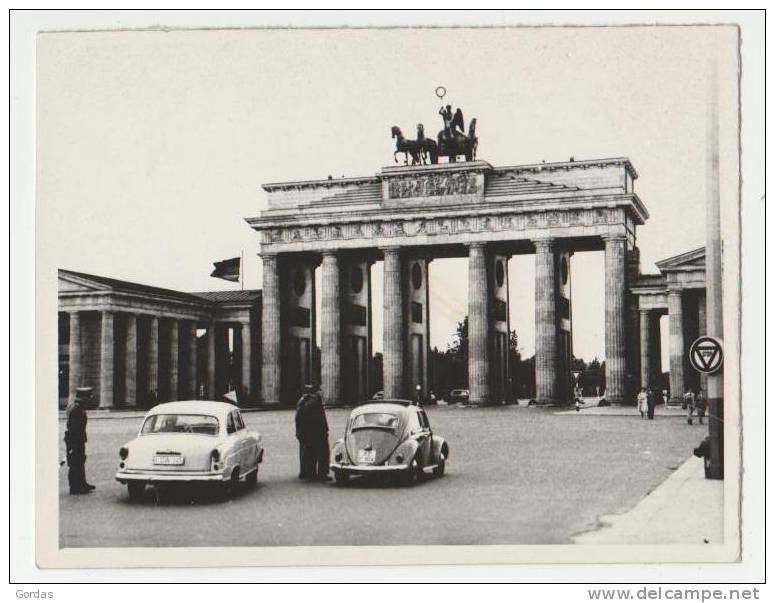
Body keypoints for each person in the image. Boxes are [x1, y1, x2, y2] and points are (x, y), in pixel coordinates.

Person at [64, 388, 96, 495]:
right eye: (88, 397)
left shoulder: (78, 407)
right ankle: (74, 487)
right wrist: (74, 443)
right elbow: (74, 427)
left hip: (78, 439)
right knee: (75, 462)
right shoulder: (76, 409)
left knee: (81, 460)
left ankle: (82, 483)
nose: (89, 400)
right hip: (74, 439)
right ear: (83, 398)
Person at [294, 385, 316, 481]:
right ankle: (309, 473)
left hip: (303, 431)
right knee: (309, 452)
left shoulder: (302, 401)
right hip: (307, 431)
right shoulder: (308, 403)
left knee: (304, 452)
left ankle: (304, 472)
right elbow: (307, 418)